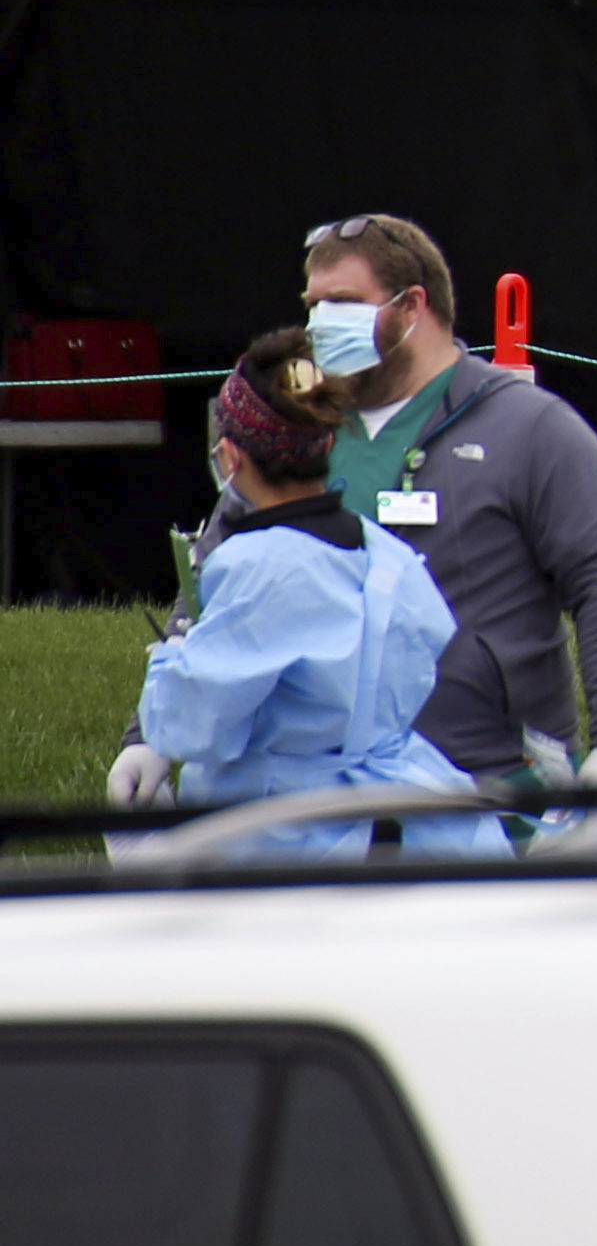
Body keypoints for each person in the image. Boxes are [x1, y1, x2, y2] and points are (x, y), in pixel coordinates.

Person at [110, 213, 597, 810]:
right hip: (307, 795)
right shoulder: (295, 423)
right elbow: (212, 581)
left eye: (342, 302)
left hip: (489, 786)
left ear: (412, 306)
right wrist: (150, 738)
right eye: (312, 305)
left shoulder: (533, 428)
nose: (320, 324)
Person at [121, 330, 511, 859]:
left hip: (286, 836)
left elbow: (192, 726)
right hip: (419, 820)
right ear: (328, 442)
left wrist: (168, 666)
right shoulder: (387, 554)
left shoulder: (256, 566)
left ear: (230, 457)